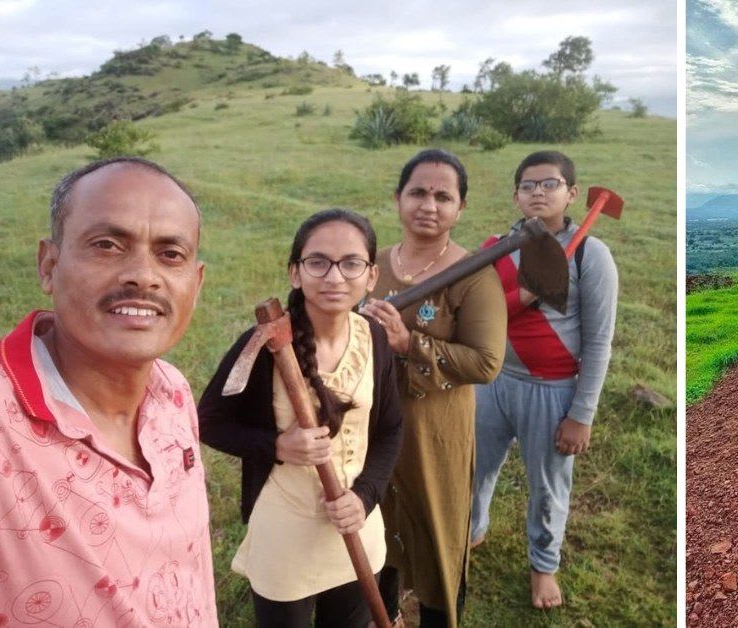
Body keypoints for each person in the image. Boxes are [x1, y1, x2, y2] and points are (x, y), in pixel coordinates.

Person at [0, 157, 216, 625]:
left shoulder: (173, 391)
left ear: (196, 284)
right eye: (107, 245)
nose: (143, 276)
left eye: (170, 254)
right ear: (49, 265)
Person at [197, 209, 403, 626]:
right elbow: (208, 421)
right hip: (286, 531)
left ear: (371, 275)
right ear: (295, 273)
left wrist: (364, 497)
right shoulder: (266, 345)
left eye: (351, 263)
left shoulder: (374, 337)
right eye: (317, 262)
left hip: (356, 524)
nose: (334, 277)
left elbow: (390, 428)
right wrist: (275, 445)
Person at [361, 149, 506, 627]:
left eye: (444, 196)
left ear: (460, 208)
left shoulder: (475, 275)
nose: (429, 204)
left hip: (433, 431)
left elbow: (486, 362)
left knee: (436, 529)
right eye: (418, 192)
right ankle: (381, 615)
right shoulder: (372, 265)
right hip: (369, 427)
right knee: (372, 524)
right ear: (398, 198)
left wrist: (408, 343)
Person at [470, 150, 619, 608]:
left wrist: (581, 413)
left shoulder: (590, 255)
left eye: (549, 184)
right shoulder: (496, 246)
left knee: (548, 486)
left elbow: (598, 342)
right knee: (472, 468)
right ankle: (468, 532)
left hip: (552, 390)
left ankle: (543, 565)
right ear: (515, 195)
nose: (538, 191)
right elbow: (478, 312)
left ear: (571, 193)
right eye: (528, 185)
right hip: (490, 380)